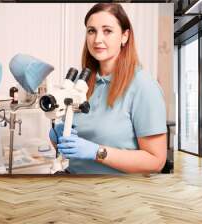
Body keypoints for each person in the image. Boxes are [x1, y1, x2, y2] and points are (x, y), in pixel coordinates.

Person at [49, 3, 167, 174]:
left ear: (124, 36)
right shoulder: (85, 85)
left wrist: (97, 152)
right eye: (91, 31)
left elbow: (156, 161)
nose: (97, 39)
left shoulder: (143, 86)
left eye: (107, 31)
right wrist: (58, 136)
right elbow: (74, 148)